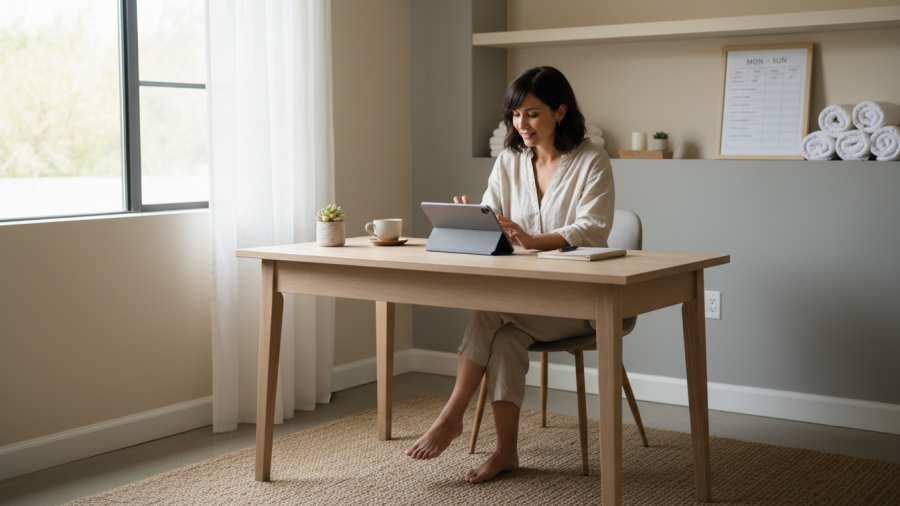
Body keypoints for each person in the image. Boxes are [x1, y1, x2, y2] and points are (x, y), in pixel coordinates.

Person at [404, 66, 615, 484]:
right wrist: (478, 220)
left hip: (579, 303)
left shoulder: (592, 160)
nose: (522, 125)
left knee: (490, 312)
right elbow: (496, 221)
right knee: (504, 337)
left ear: (560, 111)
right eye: (515, 116)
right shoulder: (508, 160)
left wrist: (533, 240)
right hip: (520, 305)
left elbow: (594, 228)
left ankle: (451, 415)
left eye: (532, 114)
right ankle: (506, 453)